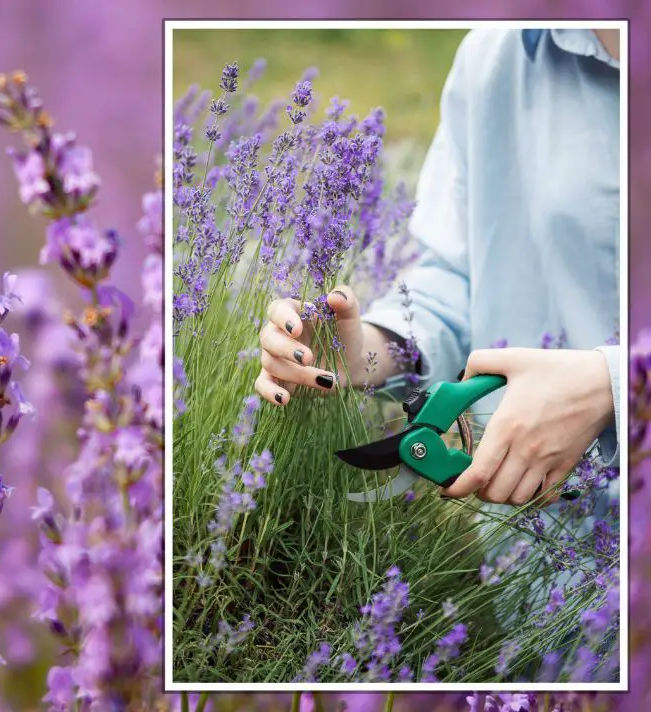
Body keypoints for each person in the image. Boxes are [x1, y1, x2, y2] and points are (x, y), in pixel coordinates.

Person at [255, 27, 622, 506]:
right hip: (528, 562)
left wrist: (614, 382)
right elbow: (458, 276)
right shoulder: (498, 54)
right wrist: (365, 350)